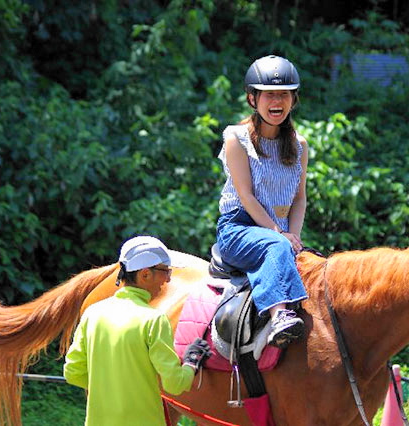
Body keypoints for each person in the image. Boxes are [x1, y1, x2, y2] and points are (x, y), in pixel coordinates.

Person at [63, 235, 211, 426]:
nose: (168, 279)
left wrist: (112, 389)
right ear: (145, 274)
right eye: (165, 271)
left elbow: (72, 372)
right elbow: (174, 384)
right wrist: (191, 361)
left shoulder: (93, 313)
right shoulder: (154, 320)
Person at [216, 55, 309, 348]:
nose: (277, 101)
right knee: (277, 246)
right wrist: (279, 235)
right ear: (252, 98)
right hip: (239, 230)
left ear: (293, 100)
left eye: (284, 94)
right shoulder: (236, 138)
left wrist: (294, 237)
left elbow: (299, 199)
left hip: (280, 233)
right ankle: (279, 314)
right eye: (269, 94)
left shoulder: (300, 145)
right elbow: (246, 196)